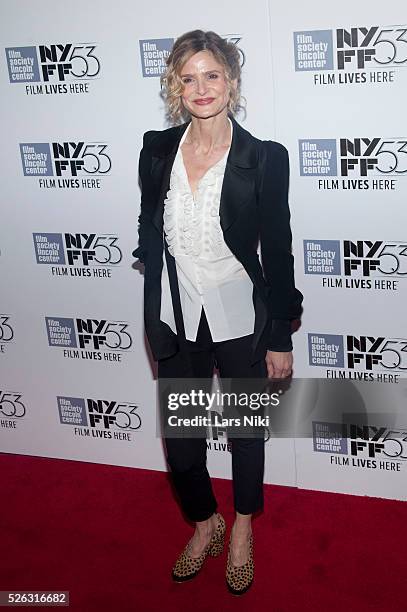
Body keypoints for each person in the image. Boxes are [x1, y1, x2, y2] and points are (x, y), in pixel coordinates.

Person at [132, 29, 303, 595]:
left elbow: (277, 249)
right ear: (175, 87)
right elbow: (148, 224)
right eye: (188, 78)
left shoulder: (264, 157)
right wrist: (152, 268)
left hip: (239, 313)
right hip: (177, 316)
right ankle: (205, 523)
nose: (201, 87)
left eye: (211, 74)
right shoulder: (157, 150)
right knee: (181, 445)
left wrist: (280, 332)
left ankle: (243, 528)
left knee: (244, 431)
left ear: (231, 80)